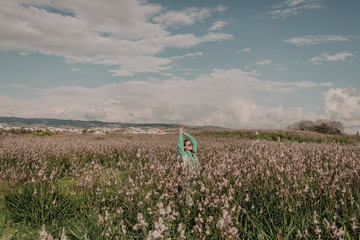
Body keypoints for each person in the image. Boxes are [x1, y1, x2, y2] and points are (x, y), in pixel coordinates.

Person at [178, 126, 199, 206]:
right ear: (184, 147)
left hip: (195, 175)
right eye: (189, 145)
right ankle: (187, 208)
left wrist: (186, 134)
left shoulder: (193, 153)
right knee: (188, 193)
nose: (191, 145)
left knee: (193, 192)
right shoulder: (183, 154)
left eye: (191, 145)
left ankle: (192, 206)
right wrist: (180, 132)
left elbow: (194, 141)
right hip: (188, 175)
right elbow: (180, 143)